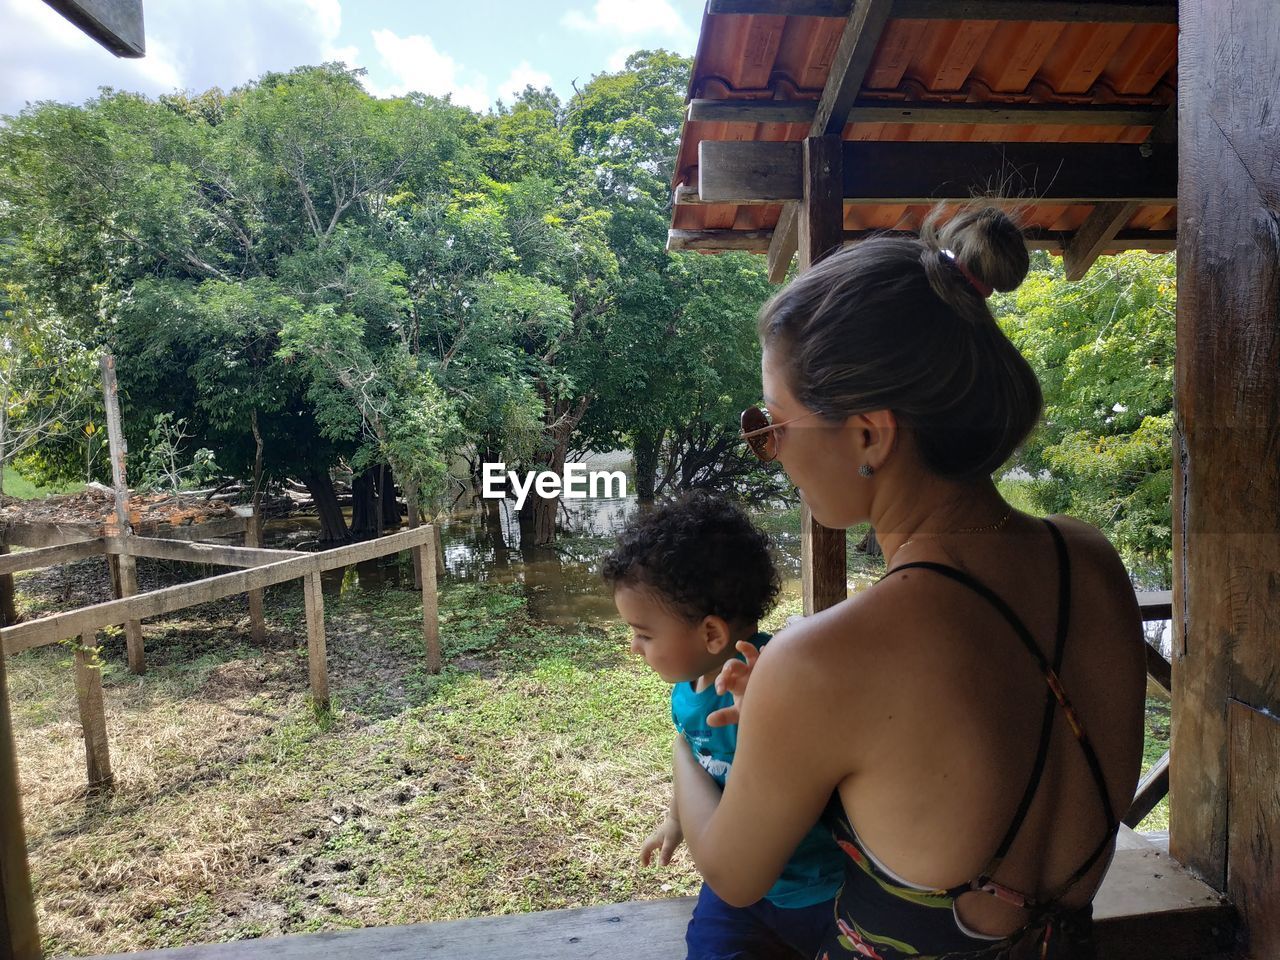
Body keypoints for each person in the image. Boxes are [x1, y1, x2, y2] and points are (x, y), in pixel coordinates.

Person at [671, 207, 1147, 960]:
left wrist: (684, 746)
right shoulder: (1089, 561)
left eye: (771, 426)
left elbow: (732, 874)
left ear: (868, 435)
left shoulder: (825, 660)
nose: (768, 451)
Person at [602, 490, 845, 960]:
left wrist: (771, 708)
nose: (634, 647)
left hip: (822, 888)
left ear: (711, 633)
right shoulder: (689, 688)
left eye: (644, 634)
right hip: (741, 895)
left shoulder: (781, 671)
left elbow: (823, 754)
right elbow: (695, 756)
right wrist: (676, 819)